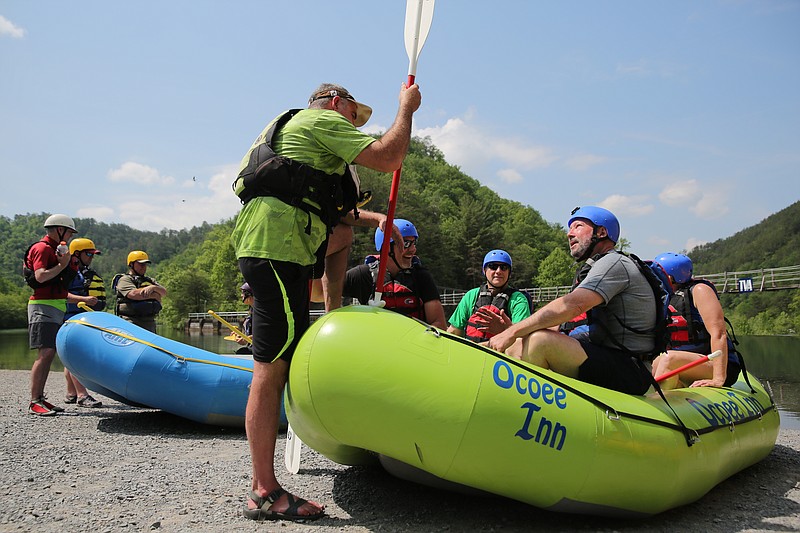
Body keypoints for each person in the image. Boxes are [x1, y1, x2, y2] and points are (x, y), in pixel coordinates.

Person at [231, 81, 421, 521]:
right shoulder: (318, 118)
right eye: (354, 115)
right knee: (270, 364)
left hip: (285, 245)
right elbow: (389, 157)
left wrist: (374, 217)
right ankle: (262, 490)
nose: (355, 125)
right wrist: (406, 109)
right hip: (275, 246)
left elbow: (331, 212)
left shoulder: (302, 140)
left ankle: (332, 309)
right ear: (337, 103)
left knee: (281, 356)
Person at [487, 206, 655, 395]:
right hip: (608, 358)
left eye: (578, 226)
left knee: (540, 341)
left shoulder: (614, 263)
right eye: (570, 228)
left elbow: (572, 306)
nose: (569, 234)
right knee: (522, 341)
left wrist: (513, 331)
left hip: (631, 370)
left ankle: (531, 413)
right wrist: (514, 334)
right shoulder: (595, 268)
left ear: (601, 232)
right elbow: (559, 324)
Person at [651, 252, 741, 388]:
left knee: (668, 359)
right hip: (689, 363)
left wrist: (718, 379)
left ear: (669, 277)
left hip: (716, 364)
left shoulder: (700, 290)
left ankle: (661, 402)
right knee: (653, 363)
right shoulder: (667, 297)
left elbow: (719, 334)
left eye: (658, 273)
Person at [342, 219, 446, 329]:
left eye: (414, 243)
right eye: (406, 244)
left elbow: (438, 324)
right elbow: (324, 291)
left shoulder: (421, 277)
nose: (413, 249)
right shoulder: (363, 275)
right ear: (386, 247)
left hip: (411, 343)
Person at [23, 214, 79, 416]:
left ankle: (41, 399)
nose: (71, 236)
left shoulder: (53, 249)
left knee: (49, 353)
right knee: (45, 353)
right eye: (69, 232)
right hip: (42, 306)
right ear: (59, 230)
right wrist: (62, 265)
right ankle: (34, 401)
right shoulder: (42, 248)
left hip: (54, 306)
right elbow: (40, 276)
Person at [447, 249, 532, 341]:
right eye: (493, 266)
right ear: (484, 270)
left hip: (500, 353)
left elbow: (520, 339)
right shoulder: (471, 295)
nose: (498, 271)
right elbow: (454, 331)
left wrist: (504, 330)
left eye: (504, 267)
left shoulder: (518, 299)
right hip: (470, 352)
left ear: (509, 272)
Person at [62, 238, 105, 407]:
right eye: (89, 254)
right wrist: (84, 299)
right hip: (69, 319)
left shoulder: (83, 273)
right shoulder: (68, 273)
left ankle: (71, 392)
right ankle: (82, 395)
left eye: (93, 254)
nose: (91, 257)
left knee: (69, 357)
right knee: (76, 356)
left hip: (81, 319)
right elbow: (61, 294)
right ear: (77, 254)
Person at [114, 251, 167, 333]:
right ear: (131, 264)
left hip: (149, 323)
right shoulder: (124, 279)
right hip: (130, 322)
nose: (143, 267)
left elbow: (164, 292)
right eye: (140, 264)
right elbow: (134, 294)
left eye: (145, 264)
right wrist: (156, 295)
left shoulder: (149, 280)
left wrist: (153, 287)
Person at [230, 282, 254, 355]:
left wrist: (248, 338)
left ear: (250, 295)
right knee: (241, 352)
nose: (241, 295)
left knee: (242, 352)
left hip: (263, 351)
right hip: (253, 349)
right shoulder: (251, 311)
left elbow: (267, 333)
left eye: (243, 293)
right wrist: (240, 334)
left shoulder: (263, 312)